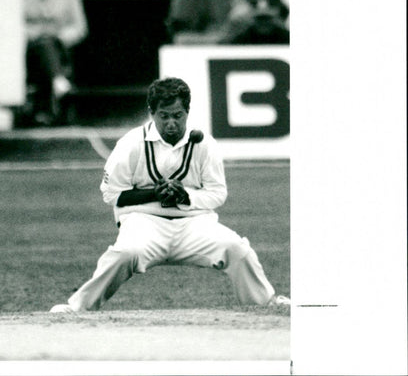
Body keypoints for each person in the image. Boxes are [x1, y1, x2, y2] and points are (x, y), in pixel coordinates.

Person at [50, 77, 290, 312]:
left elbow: (217, 194)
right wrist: (155, 193)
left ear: (188, 111)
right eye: (163, 116)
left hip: (195, 223)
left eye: (178, 115)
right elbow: (112, 194)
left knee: (236, 248)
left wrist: (185, 196)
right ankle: (78, 307)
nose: (171, 123)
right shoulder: (131, 143)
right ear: (151, 112)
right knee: (125, 253)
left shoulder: (205, 144)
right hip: (143, 222)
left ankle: (265, 305)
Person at [22, 0, 88, 126]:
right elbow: (14, 26)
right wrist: (34, 33)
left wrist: (60, 37)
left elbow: (79, 27)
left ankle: (53, 92)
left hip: (60, 48)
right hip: (29, 49)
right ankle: (59, 82)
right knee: (43, 43)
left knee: (48, 43)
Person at [221, 0, 290, 45]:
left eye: (272, 1)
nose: (264, 23)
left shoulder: (285, 35)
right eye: (261, 19)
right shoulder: (239, 17)